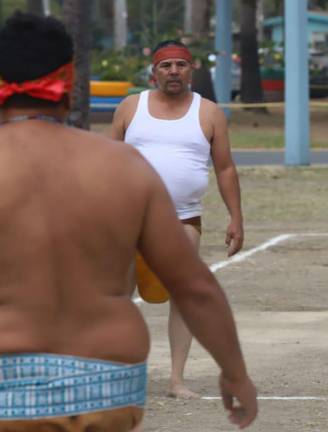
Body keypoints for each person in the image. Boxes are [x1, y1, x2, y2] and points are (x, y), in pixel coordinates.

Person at [0, 12, 257, 431]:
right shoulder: (123, 166)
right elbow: (193, 285)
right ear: (69, 78)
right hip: (108, 386)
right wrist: (235, 373)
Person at [111, 40, 244, 399]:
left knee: (184, 296)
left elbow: (226, 169)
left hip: (184, 219)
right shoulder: (130, 107)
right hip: (129, 219)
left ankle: (176, 380)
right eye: (166, 65)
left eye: (180, 65)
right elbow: (108, 163)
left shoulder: (210, 112)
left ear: (191, 70)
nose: (173, 71)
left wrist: (236, 218)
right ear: (154, 71)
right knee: (119, 297)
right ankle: (121, 375)